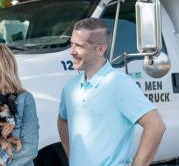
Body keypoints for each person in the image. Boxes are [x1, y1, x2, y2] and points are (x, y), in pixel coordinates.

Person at [57, 18, 166, 166]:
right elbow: (62, 120)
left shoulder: (119, 83)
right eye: (72, 44)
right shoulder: (70, 87)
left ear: (100, 50)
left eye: (79, 46)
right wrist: (72, 156)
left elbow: (156, 125)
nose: (72, 52)